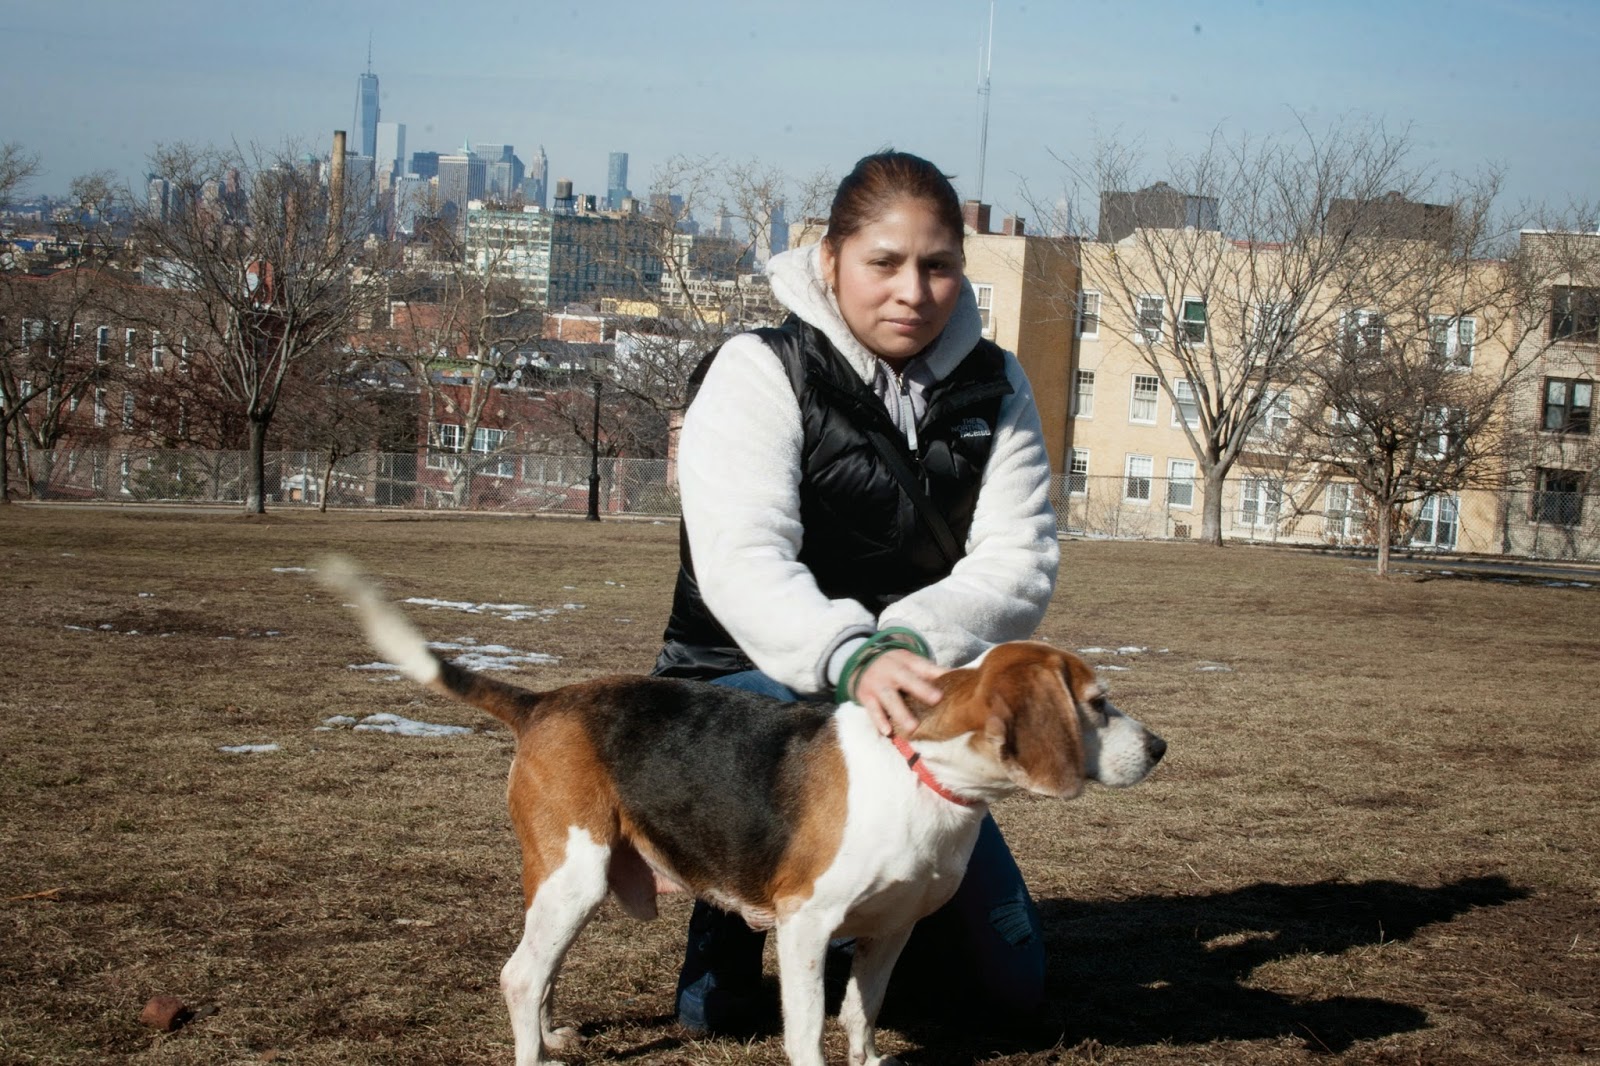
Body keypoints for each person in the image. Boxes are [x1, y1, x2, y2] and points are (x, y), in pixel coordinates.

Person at [653, 150, 1060, 1033]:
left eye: (938, 264)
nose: (912, 290)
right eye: (884, 261)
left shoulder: (998, 384)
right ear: (830, 258)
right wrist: (849, 654)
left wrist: (905, 644)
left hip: (912, 697)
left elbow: (1018, 559)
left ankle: (845, 922)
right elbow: (742, 557)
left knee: (1006, 993)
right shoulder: (762, 370)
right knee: (722, 1023)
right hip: (747, 686)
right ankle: (733, 914)